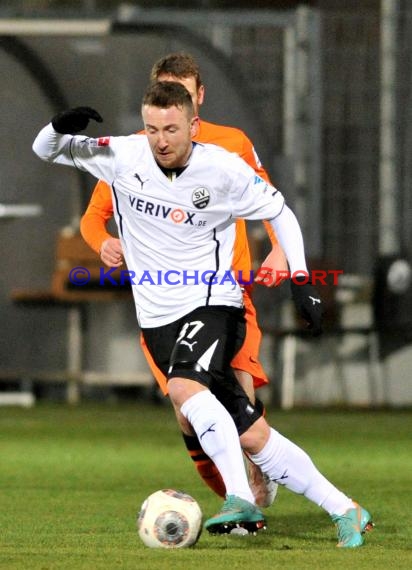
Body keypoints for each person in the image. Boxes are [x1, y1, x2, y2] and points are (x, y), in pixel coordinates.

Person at [33, 82, 373, 547]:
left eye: (171, 129)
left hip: (213, 302)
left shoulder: (223, 169)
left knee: (183, 386)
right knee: (253, 436)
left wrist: (300, 280)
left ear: (193, 125)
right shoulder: (122, 155)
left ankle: (239, 497)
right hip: (157, 318)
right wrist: (57, 127)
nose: (161, 140)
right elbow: (44, 148)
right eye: (152, 128)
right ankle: (347, 510)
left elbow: (282, 213)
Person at [80, 52, 288, 506]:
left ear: (198, 99)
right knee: (187, 410)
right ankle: (230, 494)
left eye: (185, 94)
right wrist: (102, 244)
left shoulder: (231, 144)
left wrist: (279, 248)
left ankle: (254, 488)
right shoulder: (133, 151)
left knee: (238, 391)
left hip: (226, 293)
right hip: (163, 304)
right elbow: (94, 218)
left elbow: (271, 200)